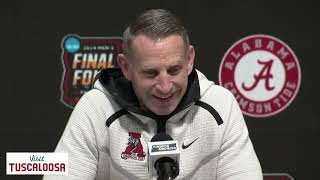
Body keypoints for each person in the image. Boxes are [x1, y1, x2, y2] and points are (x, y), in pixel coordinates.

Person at [44, 9, 263, 180]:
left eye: (174, 70)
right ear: (126, 67)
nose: (165, 86)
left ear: (189, 60)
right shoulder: (96, 109)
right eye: (151, 73)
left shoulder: (221, 105)